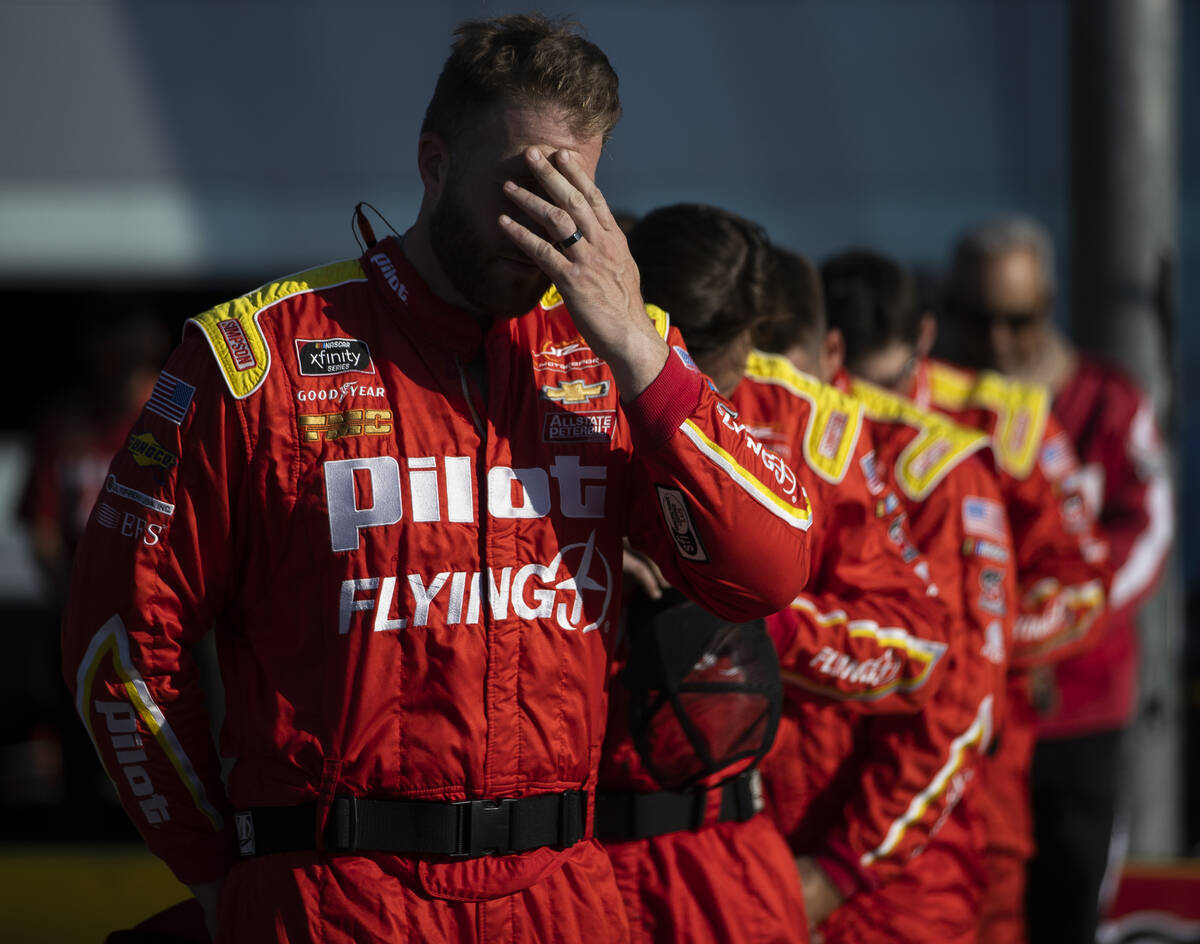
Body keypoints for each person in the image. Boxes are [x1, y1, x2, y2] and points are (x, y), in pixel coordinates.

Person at [60, 17, 819, 943]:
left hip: (562, 898)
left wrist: (638, 352)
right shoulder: (257, 360)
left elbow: (769, 572)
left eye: (573, 189)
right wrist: (216, 872)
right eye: (519, 184)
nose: (546, 224)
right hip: (337, 901)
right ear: (433, 163)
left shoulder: (616, 355)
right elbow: (120, 643)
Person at [596, 207, 952, 944]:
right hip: (548, 855)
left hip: (716, 852)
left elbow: (919, 652)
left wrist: (762, 616)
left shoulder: (806, 428)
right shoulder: (536, 387)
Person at [818, 246, 1111, 944]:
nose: (874, 408)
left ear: (924, 338)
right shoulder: (795, 414)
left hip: (975, 761)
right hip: (822, 766)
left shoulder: (1006, 422)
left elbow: (1081, 588)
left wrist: (985, 646)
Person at [756, 249, 1016, 944]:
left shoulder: (931, 469)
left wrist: (838, 871)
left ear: (824, 347)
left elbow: (960, 709)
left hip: (892, 884)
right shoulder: (720, 442)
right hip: (751, 860)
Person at [946, 217, 1173, 944]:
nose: (1002, 341)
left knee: (1070, 908)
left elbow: (1149, 532)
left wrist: (1054, 629)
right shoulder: (932, 404)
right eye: (980, 320)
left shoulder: (1107, 400)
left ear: (1050, 303)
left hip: (1080, 708)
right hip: (968, 715)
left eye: (1020, 319)